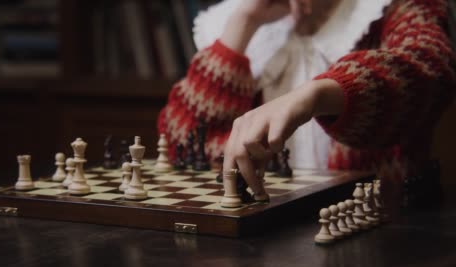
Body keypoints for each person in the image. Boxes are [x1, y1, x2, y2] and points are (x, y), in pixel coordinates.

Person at [157, 0, 456, 198]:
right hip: (265, 246)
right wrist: (244, 23)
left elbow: (429, 70)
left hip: (378, 238)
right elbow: (182, 150)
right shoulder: (240, 19)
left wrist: (318, 94)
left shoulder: (394, 7)